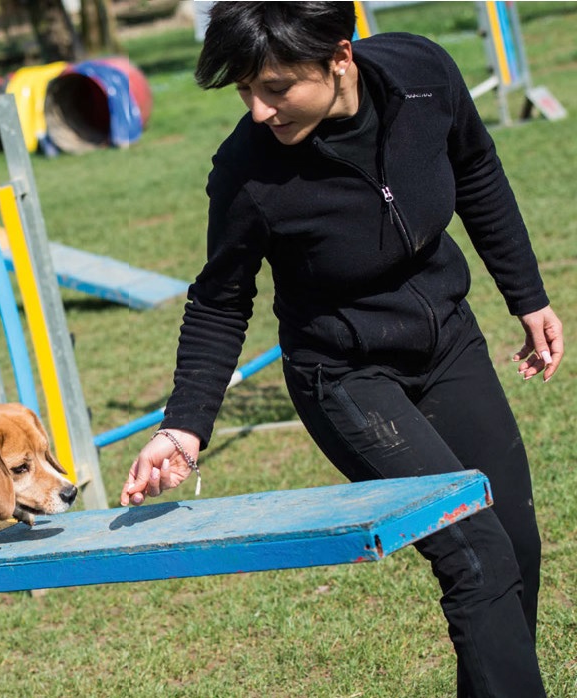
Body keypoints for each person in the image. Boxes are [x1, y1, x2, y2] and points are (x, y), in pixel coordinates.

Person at [119, 3, 564, 696]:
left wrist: (527, 295)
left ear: (340, 59)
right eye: (245, 91)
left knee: (515, 541)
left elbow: (475, 168)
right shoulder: (247, 172)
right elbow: (220, 299)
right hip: (347, 377)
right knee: (474, 553)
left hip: (447, 341)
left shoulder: (423, 77)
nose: (261, 110)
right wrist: (184, 425)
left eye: (275, 87)